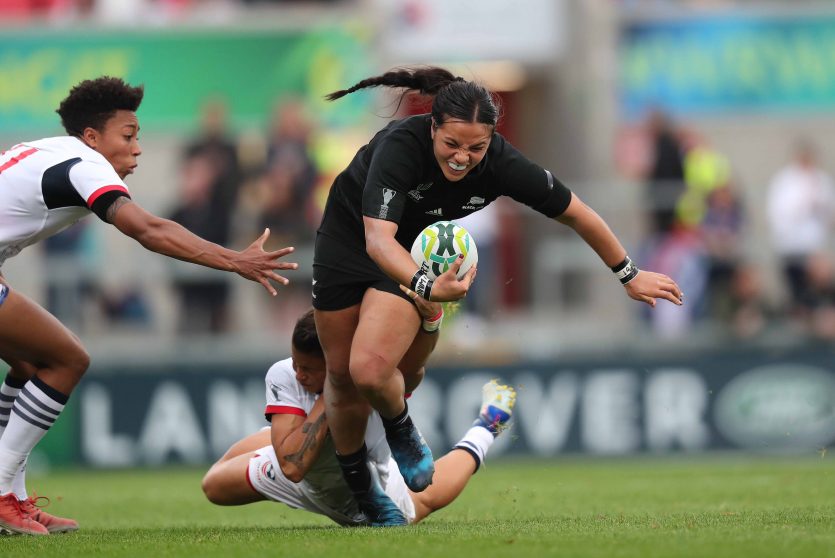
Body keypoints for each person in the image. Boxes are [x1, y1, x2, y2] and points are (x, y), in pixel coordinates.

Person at [311, 67, 684, 525]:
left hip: (407, 251)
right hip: (351, 241)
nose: (462, 158)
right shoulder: (400, 147)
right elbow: (376, 241)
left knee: (369, 371)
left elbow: (577, 213)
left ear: (491, 139)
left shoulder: (503, 164)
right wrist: (429, 286)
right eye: (452, 144)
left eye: (476, 148)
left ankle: (400, 428)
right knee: (340, 377)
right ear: (432, 127)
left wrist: (628, 274)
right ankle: (364, 493)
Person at [0, 76, 298, 535]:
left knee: (29, 364)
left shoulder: (49, 150)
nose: (137, 148)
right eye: (128, 135)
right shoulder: (86, 164)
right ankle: (2, 492)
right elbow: (148, 229)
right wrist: (235, 260)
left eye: (138, 136)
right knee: (67, 359)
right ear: (93, 137)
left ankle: (13, 497)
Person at [201, 307, 515, 526]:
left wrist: (431, 319)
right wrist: (332, 393)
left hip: (355, 489)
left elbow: (415, 369)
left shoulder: (368, 379)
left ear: (335, 363)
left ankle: (488, 424)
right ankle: (281, 436)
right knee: (213, 486)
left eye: (308, 368)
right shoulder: (283, 374)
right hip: (302, 469)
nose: (298, 374)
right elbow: (292, 467)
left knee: (422, 500)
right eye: (295, 362)